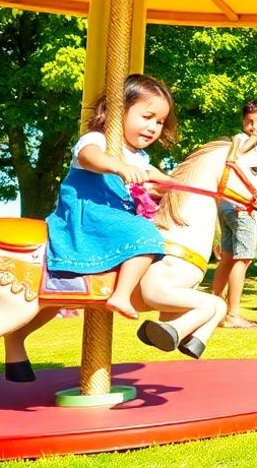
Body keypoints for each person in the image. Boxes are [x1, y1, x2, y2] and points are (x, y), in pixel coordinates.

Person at [45, 74, 177, 319]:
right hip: (89, 211)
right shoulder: (98, 139)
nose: (153, 127)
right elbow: (89, 156)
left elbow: (156, 185)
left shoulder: (140, 158)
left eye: (160, 122)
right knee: (146, 234)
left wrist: (169, 184)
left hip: (112, 215)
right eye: (147, 117)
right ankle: (121, 295)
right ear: (118, 112)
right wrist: (118, 167)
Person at [212, 99, 257, 328]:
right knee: (243, 258)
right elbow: (238, 155)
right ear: (242, 123)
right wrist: (253, 138)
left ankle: (213, 308)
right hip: (239, 207)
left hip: (229, 206)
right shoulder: (241, 140)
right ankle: (233, 313)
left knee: (228, 258)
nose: (254, 127)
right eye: (249, 122)